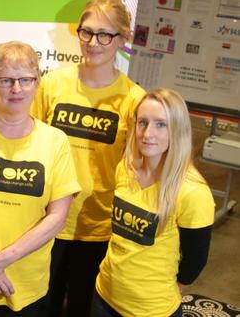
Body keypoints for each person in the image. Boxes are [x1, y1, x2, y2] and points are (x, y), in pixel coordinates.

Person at [31, 0, 146, 317]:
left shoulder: (134, 99)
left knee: (82, 307)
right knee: (43, 305)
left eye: (104, 35)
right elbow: (34, 149)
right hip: (48, 221)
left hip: (98, 225)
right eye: (86, 32)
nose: (93, 42)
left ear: (122, 39)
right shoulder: (52, 84)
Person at [0, 41, 81, 316]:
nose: (16, 88)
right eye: (6, 80)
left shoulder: (55, 141)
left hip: (25, 284)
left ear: (37, 83)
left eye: (25, 79)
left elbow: (58, 217)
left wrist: (1, 260)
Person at [92, 88, 215, 317]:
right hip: (104, 297)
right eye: (143, 122)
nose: (148, 133)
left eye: (161, 124)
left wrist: (160, 292)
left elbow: (195, 260)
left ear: (177, 130)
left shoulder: (192, 192)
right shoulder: (126, 169)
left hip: (152, 310)